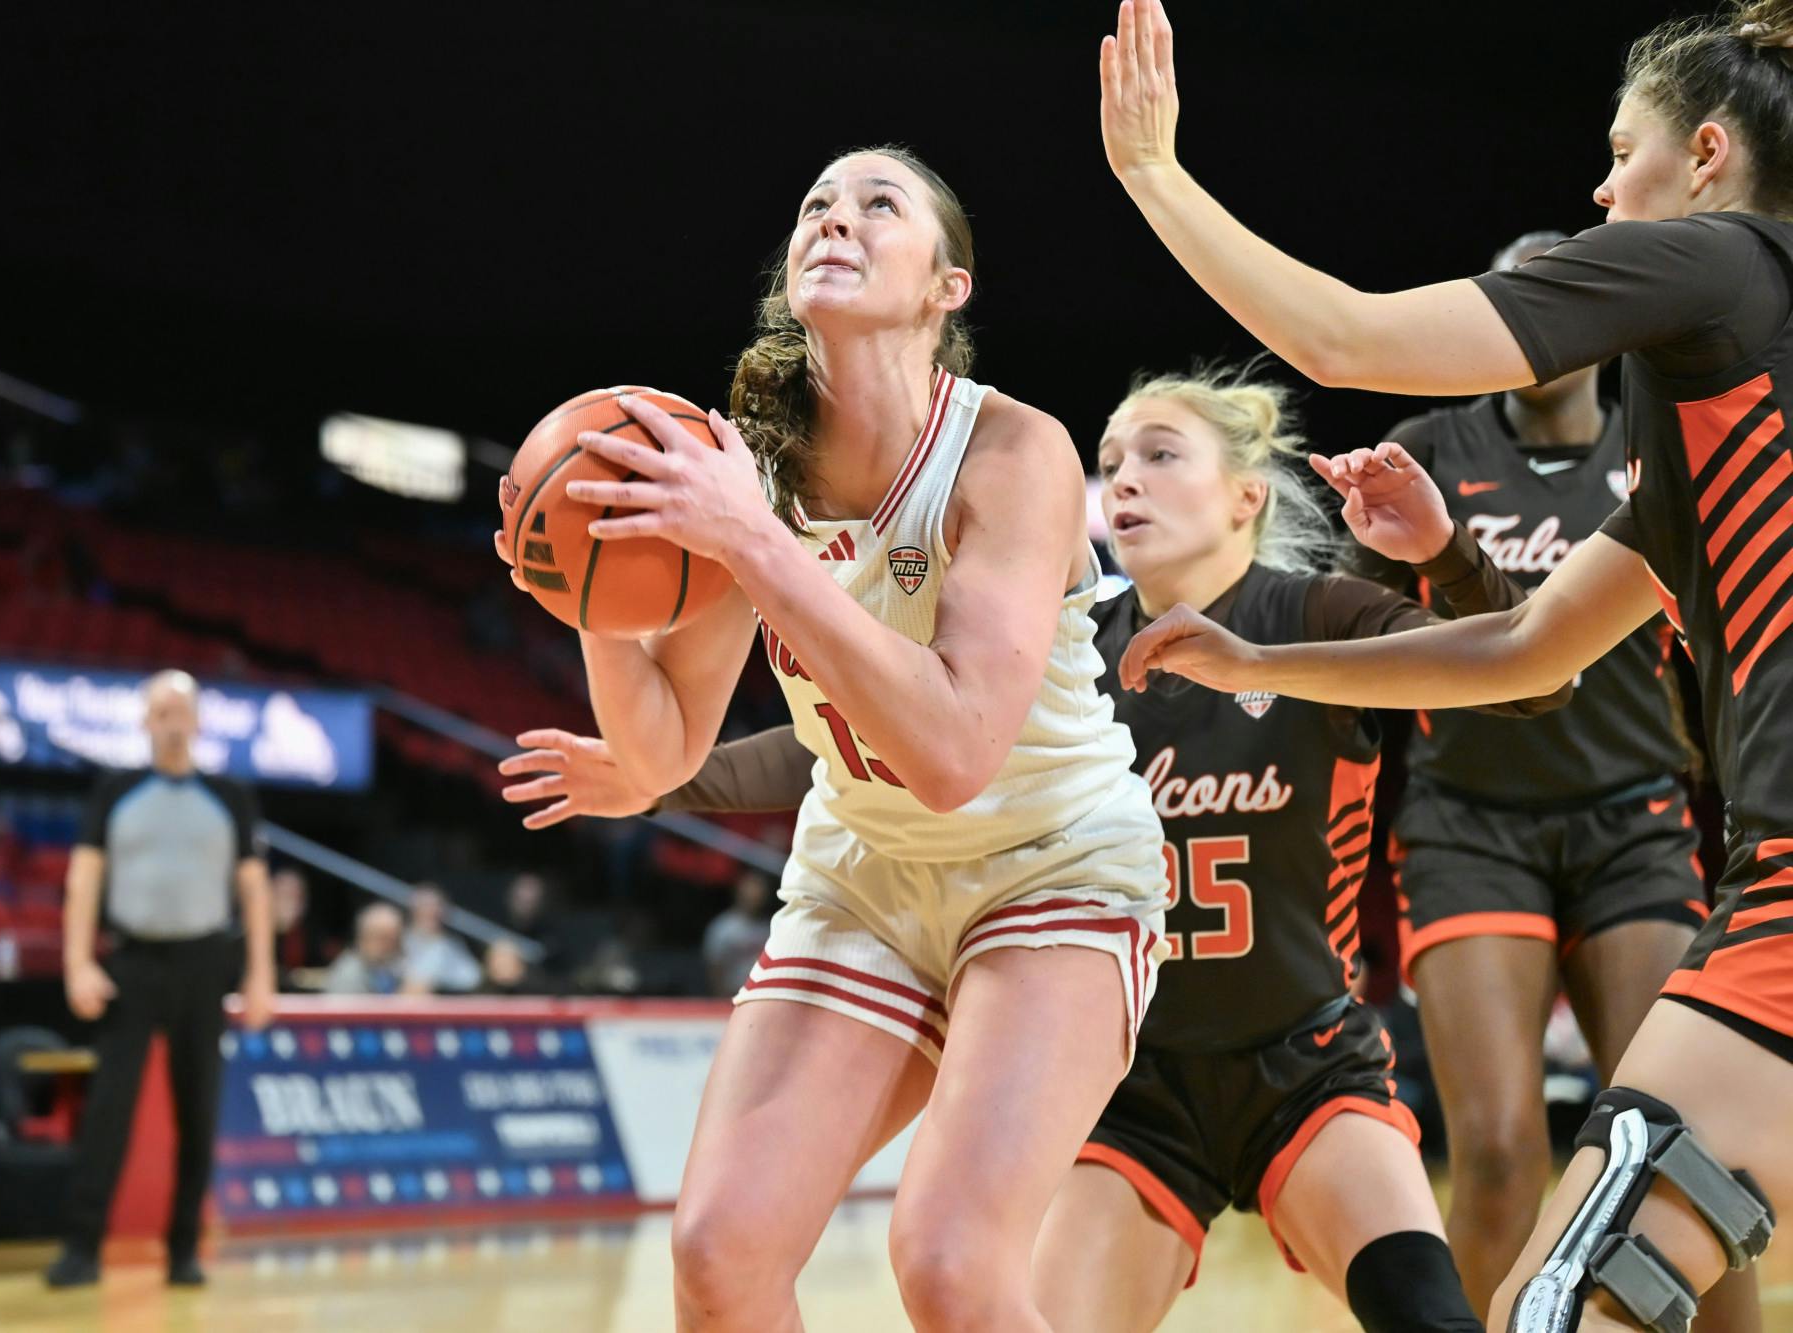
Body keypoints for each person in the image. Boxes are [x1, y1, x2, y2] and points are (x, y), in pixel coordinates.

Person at [505, 366, 1555, 1332]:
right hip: (1130, 1098)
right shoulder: (1060, 642)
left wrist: (1447, 563)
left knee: (1427, 1316)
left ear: (1245, 496)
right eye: (1109, 464)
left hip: (1302, 1068)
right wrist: (655, 774)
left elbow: (1528, 678)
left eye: (1158, 454)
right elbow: (844, 742)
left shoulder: (1310, 617)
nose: (1122, 483)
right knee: (979, 1296)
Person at [1104, 3, 1792, 1325]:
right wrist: (1262, 657)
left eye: (1621, 149)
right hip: (1754, 881)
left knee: (1564, 1299)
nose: (1599, 188)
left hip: (1754, 879)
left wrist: (1154, 174)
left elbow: (1345, 341)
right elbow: (1524, 645)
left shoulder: (1725, 262)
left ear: (1704, 155)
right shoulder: (1714, 396)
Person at [496, 146, 1169, 1330]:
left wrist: (752, 545)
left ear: (943, 287)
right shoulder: (738, 466)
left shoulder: (1016, 454)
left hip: (1052, 866)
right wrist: (595, 601)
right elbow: (660, 755)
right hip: (863, 879)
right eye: (815, 203)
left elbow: (956, 754)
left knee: (951, 1264)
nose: (834, 219)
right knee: (718, 1253)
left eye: (877, 205)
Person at [1340, 229, 1715, 1315]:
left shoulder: (1656, 448)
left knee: (1678, 1154)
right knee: (1499, 1153)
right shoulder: (1426, 445)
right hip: (1469, 828)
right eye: (1521, 300)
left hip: (1632, 822)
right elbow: (1358, 637)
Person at [46, 670, 274, 1290]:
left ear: (198, 722)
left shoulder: (230, 796)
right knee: (108, 1112)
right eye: (161, 712)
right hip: (133, 964)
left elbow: (253, 892)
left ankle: (183, 1251)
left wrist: (260, 975)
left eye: (182, 711)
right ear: (145, 722)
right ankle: (82, 1247)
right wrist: (78, 961)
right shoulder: (115, 791)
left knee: (198, 1112)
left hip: (204, 965)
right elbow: (84, 880)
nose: (173, 722)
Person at [701, 871, 773, 998]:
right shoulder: (723, 927)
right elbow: (714, 967)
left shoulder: (770, 928)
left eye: (758, 889)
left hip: (761, 996)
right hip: (729, 995)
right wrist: (719, 997)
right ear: (739, 890)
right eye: (750, 888)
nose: (754, 894)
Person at [403, 883, 482, 992]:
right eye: (425, 905)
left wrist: (435, 983)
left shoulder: (451, 943)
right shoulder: (399, 940)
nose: (431, 911)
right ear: (413, 909)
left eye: (436, 905)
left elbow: (472, 977)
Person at [323, 901, 412, 995]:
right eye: (384, 938)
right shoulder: (348, 974)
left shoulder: (394, 967)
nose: (391, 946)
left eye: (395, 939)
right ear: (363, 937)